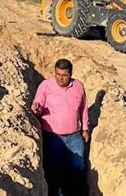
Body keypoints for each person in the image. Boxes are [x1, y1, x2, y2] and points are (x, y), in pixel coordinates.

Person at [31, 59, 89, 196]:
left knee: (78, 168)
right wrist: (36, 108)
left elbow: (83, 109)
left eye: (64, 75)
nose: (60, 78)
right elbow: (37, 105)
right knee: (55, 170)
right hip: (53, 137)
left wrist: (85, 129)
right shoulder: (46, 86)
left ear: (70, 74)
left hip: (75, 136)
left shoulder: (78, 86)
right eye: (57, 74)